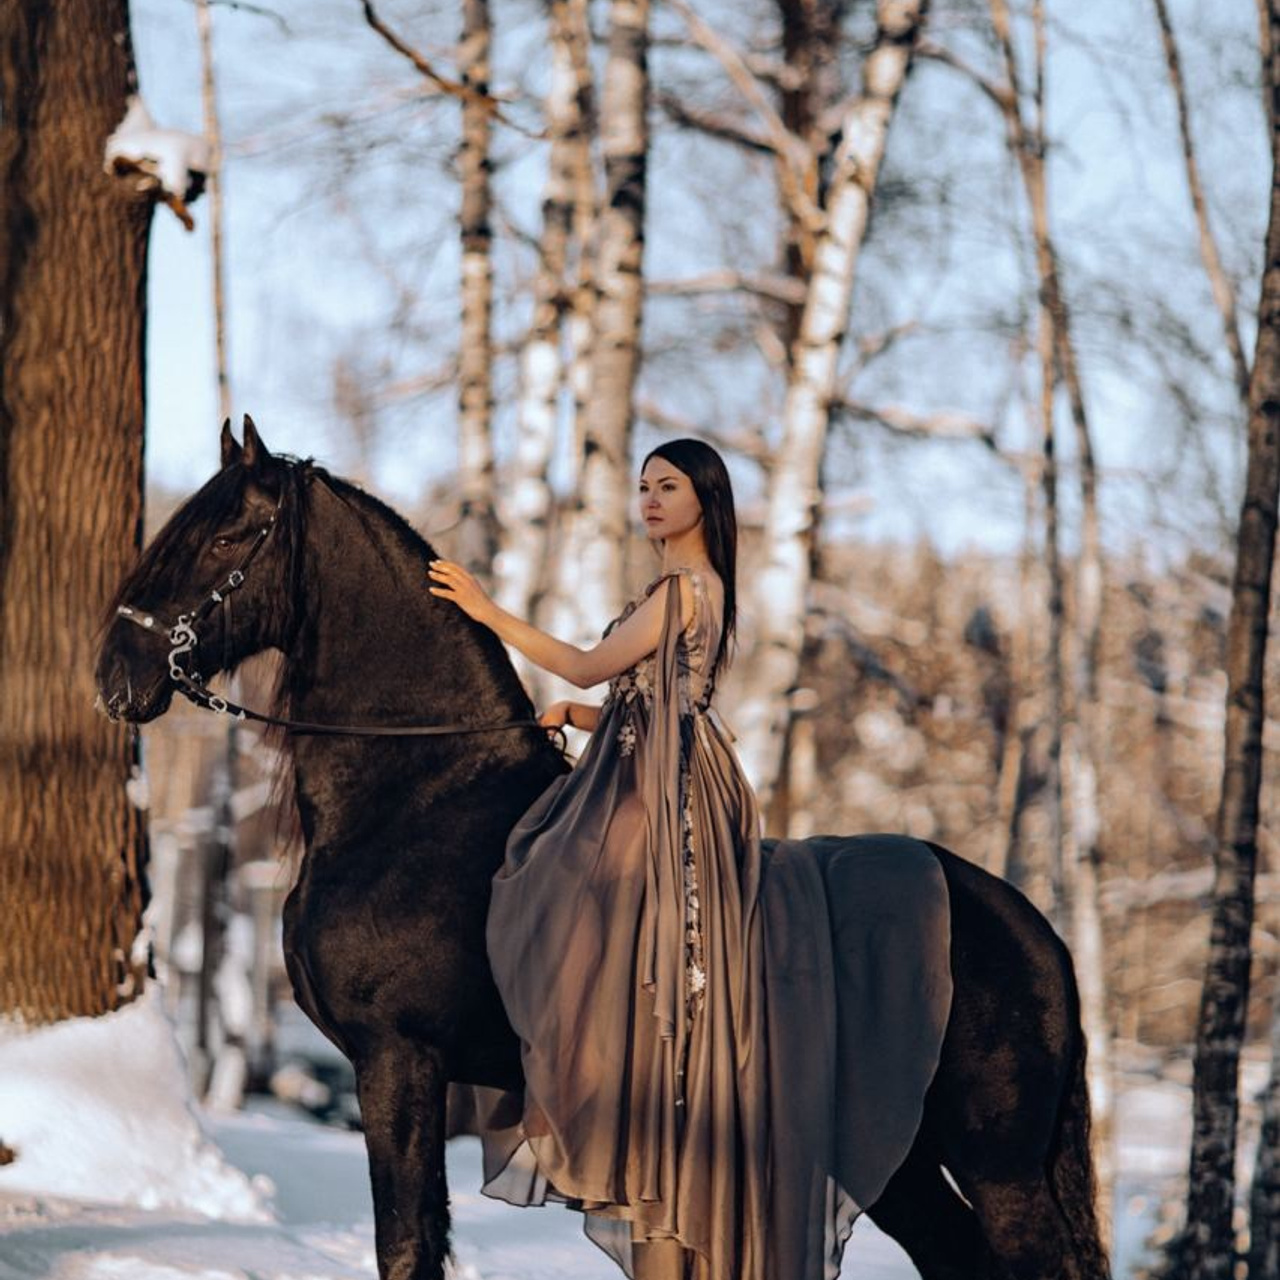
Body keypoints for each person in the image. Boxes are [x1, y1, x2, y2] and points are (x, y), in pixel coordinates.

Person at [428, 440, 772, 1280]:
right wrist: (585, 718)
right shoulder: (680, 592)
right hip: (647, 769)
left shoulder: (685, 589)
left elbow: (589, 662)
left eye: (669, 486)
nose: (650, 500)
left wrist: (485, 610)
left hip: (657, 801)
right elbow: (657, 701)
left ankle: (592, 1082)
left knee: (546, 894)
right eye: (643, 487)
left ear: (706, 499)